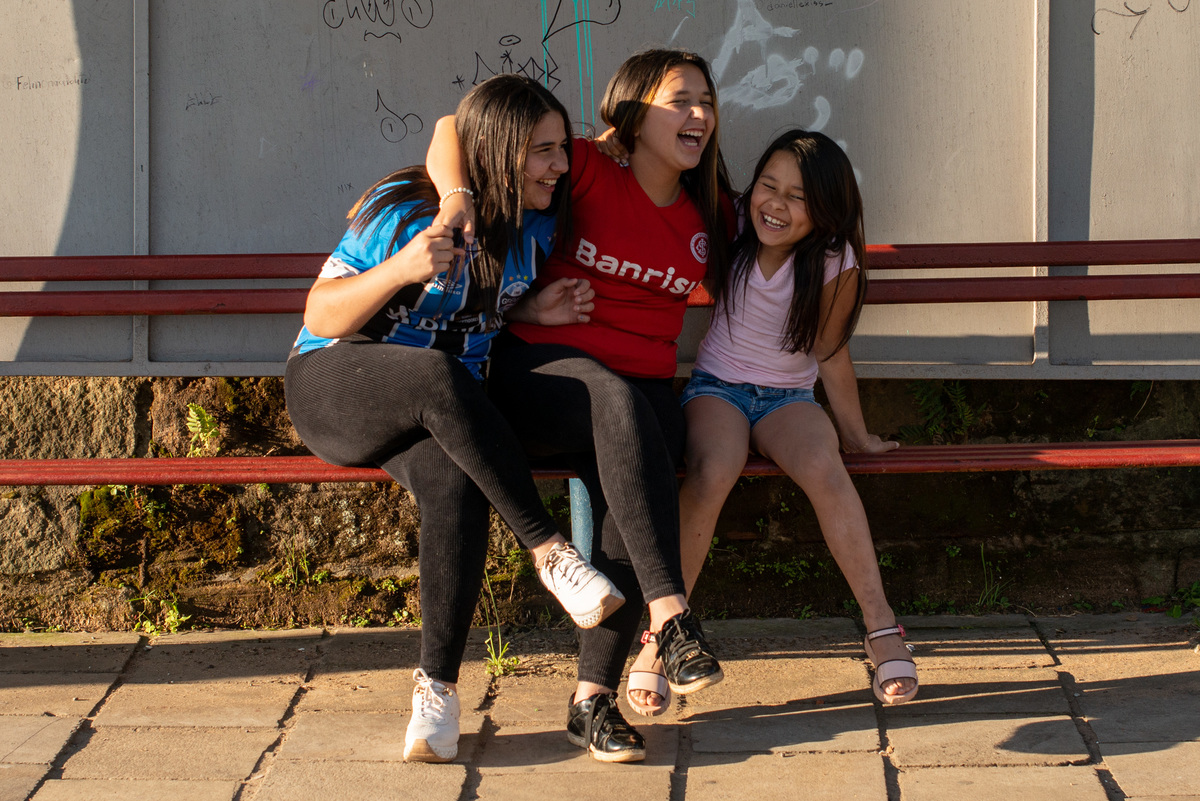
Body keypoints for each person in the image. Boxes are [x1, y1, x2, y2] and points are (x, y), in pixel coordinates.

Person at [284, 75, 628, 764]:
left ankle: (435, 693)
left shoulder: (536, 222)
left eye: (562, 148)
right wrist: (402, 267)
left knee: (457, 481)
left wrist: (531, 311)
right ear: (499, 152)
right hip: (337, 384)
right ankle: (549, 551)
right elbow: (319, 314)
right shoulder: (408, 208)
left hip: (440, 409)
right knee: (436, 373)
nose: (559, 166)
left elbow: (479, 309)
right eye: (543, 151)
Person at [428, 49, 732, 762]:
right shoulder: (588, 167)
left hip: (641, 392)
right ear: (631, 114)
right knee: (614, 399)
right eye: (679, 100)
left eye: (706, 102)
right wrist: (455, 196)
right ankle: (673, 616)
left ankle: (591, 700)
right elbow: (454, 125)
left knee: (643, 461)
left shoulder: (711, 209)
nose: (698, 115)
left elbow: (791, 246)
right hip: (543, 376)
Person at [629, 129, 917, 710]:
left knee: (824, 464)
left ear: (828, 211)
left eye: (798, 197)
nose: (776, 205)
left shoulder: (836, 259)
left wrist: (857, 435)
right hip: (717, 389)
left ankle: (881, 622)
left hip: (788, 398)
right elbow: (674, 171)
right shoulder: (731, 224)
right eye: (769, 186)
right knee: (712, 471)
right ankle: (662, 634)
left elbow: (830, 353)